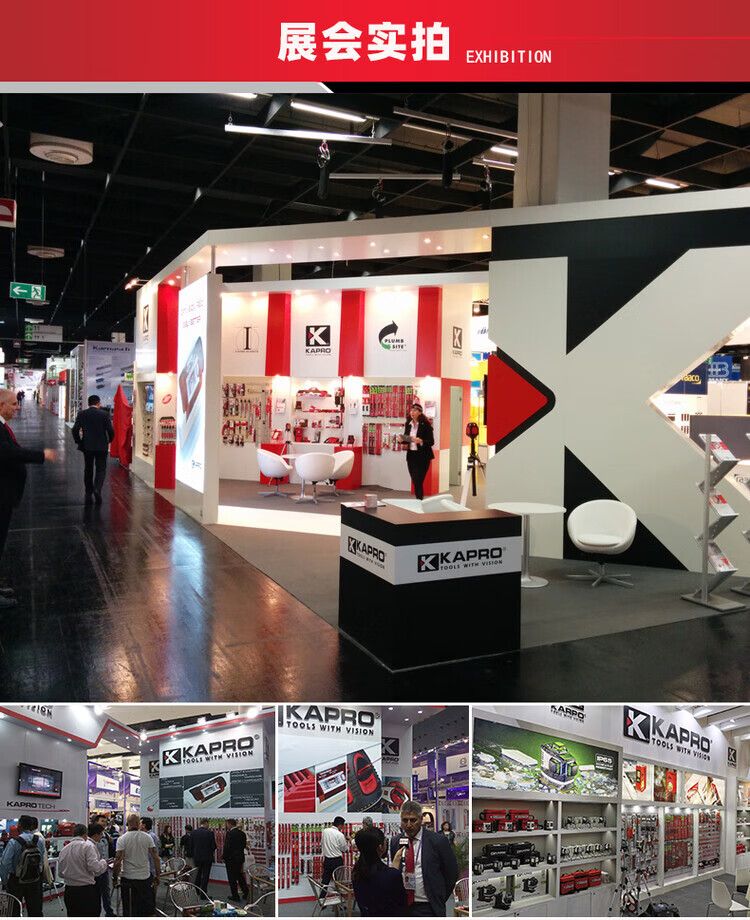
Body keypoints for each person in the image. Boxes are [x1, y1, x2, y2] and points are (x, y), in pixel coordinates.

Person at [0, 388, 56, 608]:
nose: (17, 407)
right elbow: (9, 453)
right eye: (13, 404)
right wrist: (41, 455)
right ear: (1, 406)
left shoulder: (3, 427)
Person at [389, 800, 458, 916]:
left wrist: (439, 897)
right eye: (405, 820)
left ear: (421, 820)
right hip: (403, 906)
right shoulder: (395, 842)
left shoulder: (438, 841)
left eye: (413, 820)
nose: (409, 825)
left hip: (428, 906)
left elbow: (451, 873)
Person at [352, 825, 408, 917]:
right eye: (385, 840)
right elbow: (402, 902)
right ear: (380, 847)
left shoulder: (357, 872)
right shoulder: (391, 875)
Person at [112, 813, 160, 917]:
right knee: (147, 910)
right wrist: (157, 875)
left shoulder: (122, 839)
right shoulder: (147, 838)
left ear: (127, 823)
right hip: (145, 878)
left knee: (129, 909)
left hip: (128, 879)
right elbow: (156, 858)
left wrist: (114, 878)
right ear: (138, 823)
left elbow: (118, 861)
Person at [57, 822, 108, 917]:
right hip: (86, 891)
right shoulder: (88, 846)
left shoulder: (64, 849)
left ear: (73, 834)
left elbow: (60, 873)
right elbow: (95, 868)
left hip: (69, 891)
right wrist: (104, 863)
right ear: (85, 834)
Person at [0, 814, 46, 916]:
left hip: (16, 881)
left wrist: (4, 881)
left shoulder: (14, 842)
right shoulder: (39, 840)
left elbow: (5, 863)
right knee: (35, 911)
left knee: (14, 910)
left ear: (20, 825)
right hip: (34, 879)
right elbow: (41, 861)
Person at [72, 394, 114, 503]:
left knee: (88, 468)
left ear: (88, 403)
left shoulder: (82, 414)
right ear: (98, 403)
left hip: (87, 446)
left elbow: (75, 429)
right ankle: (97, 488)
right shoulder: (104, 414)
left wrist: (78, 441)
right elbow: (110, 430)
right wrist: (110, 440)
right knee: (101, 469)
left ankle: (88, 491)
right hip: (101, 446)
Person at [397, 403, 434, 500]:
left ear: (420, 412)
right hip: (411, 456)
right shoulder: (408, 424)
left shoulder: (425, 425)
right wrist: (401, 440)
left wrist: (421, 441)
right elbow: (407, 439)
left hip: (423, 456)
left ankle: (419, 501)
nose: (412, 412)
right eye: (411, 410)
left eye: (415, 410)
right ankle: (419, 501)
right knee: (415, 480)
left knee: (418, 480)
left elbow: (431, 442)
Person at [319, 816, 348, 903]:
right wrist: (346, 841)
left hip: (327, 860)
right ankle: (339, 903)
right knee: (339, 882)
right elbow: (344, 849)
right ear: (340, 825)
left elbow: (323, 842)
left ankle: (321, 900)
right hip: (337, 861)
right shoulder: (340, 835)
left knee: (325, 881)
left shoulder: (325, 831)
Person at [93, 814, 116, 916]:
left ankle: (109, 912)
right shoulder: (91, 836)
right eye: (102, 821)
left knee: (106, 891)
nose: (104, 823)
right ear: (96, 822)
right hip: (95, 869)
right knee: (95, 893)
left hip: (105, 868)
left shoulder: (106, 835)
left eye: (105, 821)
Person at [223, 818, 249, 903]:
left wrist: (224, 857)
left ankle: (235, 895)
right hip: (240, 858)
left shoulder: (230, 834)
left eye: (227, 824)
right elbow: (243, 845)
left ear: (230, 824)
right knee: (239, 875)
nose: (226, 826)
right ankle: (246, 892)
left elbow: (227, 847)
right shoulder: (242, 834)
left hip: (231, 859)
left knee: (232, 878)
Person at [191, 817, 216, 896]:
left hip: (197, 857)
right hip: (207, 857)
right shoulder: (210, 833)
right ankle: (203, 893)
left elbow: (191, 845)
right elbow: (213, 846)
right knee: (205, 875)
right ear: (206, 823)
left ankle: (196, 891)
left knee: (198, 874)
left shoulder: (193, 832)